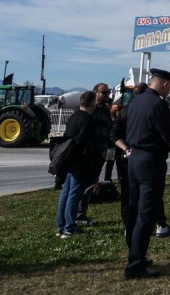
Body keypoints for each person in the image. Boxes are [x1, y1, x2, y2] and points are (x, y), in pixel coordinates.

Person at [123, 68, 170, 280]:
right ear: (165, 84)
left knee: (133, 211)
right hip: (150, 161)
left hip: (134, 159)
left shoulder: (137, 100)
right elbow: (167, 136)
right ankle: (135, 265)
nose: (169, 92)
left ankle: (134, 255)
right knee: (146, 214)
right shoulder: (158, 104)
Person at [56, 90, 98, 238]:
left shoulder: (73, 116)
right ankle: (69, 228)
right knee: (74, 195)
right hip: (80, 161)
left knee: (65, 194)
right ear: (93, 103)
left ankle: (61, 226)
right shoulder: (88, 120)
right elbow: (82, 141)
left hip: (69, 160)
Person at [111, 82, 146, 239]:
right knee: (142, 191)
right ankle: (140, 222)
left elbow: (114, 135)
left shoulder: (124, 111)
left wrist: (125, 148)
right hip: (140, 156)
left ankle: (128, 224)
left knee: (127, 192)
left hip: (125, 156)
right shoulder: (144, 110)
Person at [76, 83, 113, 226]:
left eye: (108, 93)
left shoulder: (104, 111)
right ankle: (78, 214)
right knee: (82, 185)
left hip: (100, 154)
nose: (107, 95)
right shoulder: (88, 111)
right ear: (95, 93)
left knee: (91, 184)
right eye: (104, 93)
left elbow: (109, 130)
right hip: (89, 154)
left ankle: (81, 213)